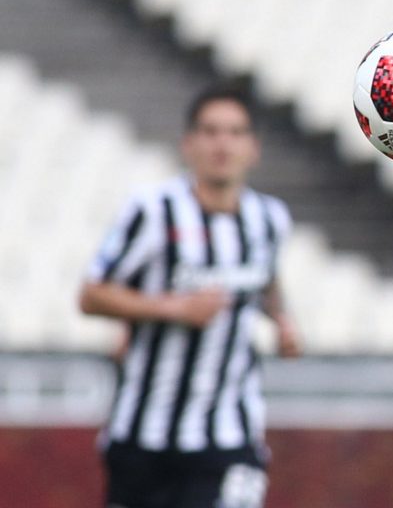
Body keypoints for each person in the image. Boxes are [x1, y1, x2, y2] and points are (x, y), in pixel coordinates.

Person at [80, 85, 299, 508]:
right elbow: (92, 295)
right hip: (144, 437)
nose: (223, 144)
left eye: (235, 133)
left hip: (229, 435)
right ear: (189, 144)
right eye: (211, 131)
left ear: (253, 148)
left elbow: (266, 282)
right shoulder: (153, 212)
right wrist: (172, 308)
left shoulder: (269, 219)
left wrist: (283, 321)